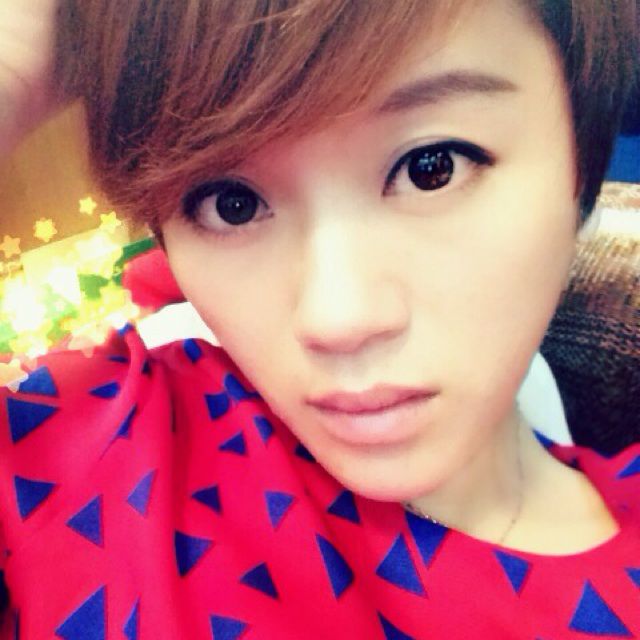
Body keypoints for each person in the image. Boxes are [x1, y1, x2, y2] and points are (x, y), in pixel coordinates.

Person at [0, 0, 638, 638]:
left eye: (431, 168)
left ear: (579, 166)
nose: (340, 320)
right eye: (231, 204)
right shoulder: (90, 449)